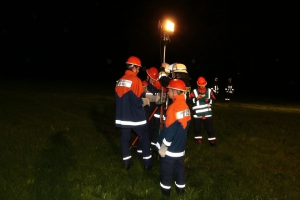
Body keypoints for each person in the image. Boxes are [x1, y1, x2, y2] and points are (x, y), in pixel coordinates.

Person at [115, 56, 152, 170]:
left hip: (123, 117)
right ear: (134, 67)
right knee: (144, 138)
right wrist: (145, 101)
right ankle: (147, 164)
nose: (138, 70)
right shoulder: (136, 80)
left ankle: (127, 162)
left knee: (124, 139)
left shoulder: (119, 80)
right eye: (138, 68)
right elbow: (138, 100)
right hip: (136, 118)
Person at [155, 79, 191, 196]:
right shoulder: (186, 107)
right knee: (179, 169)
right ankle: (181, 189)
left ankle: (165, 191)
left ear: (175, 91)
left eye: (169, 90)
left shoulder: (173, 108)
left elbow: (170, 132)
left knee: (166, 171)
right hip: (180, 149)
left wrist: (162, 148)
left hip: (170, 151)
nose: (167, 92)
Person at [188, 77, 217, 146]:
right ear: (198, 84)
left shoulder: (210, 91)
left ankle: (212, 141)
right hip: (197, 114)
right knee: (197, 127)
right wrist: (196, 99)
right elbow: (189, 100)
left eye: (203, 85)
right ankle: (198, 140)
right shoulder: (194, 92)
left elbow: (214, 99)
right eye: (201, 85)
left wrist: (209, 100)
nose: (202, 86)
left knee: (210, 128)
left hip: (207, 113)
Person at [141, 67, 162, 150]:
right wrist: (156, 97)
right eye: (152, 79)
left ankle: (148, 145)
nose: (153, 81)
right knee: (144, 130)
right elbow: (145, 97)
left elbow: (160, 96)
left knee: (150, 130)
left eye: (155, 79)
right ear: (148, 76)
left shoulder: (156, 86)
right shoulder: (143, 85)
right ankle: (142, 148)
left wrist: (160, 89)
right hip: (144, 111)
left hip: (153, 111)